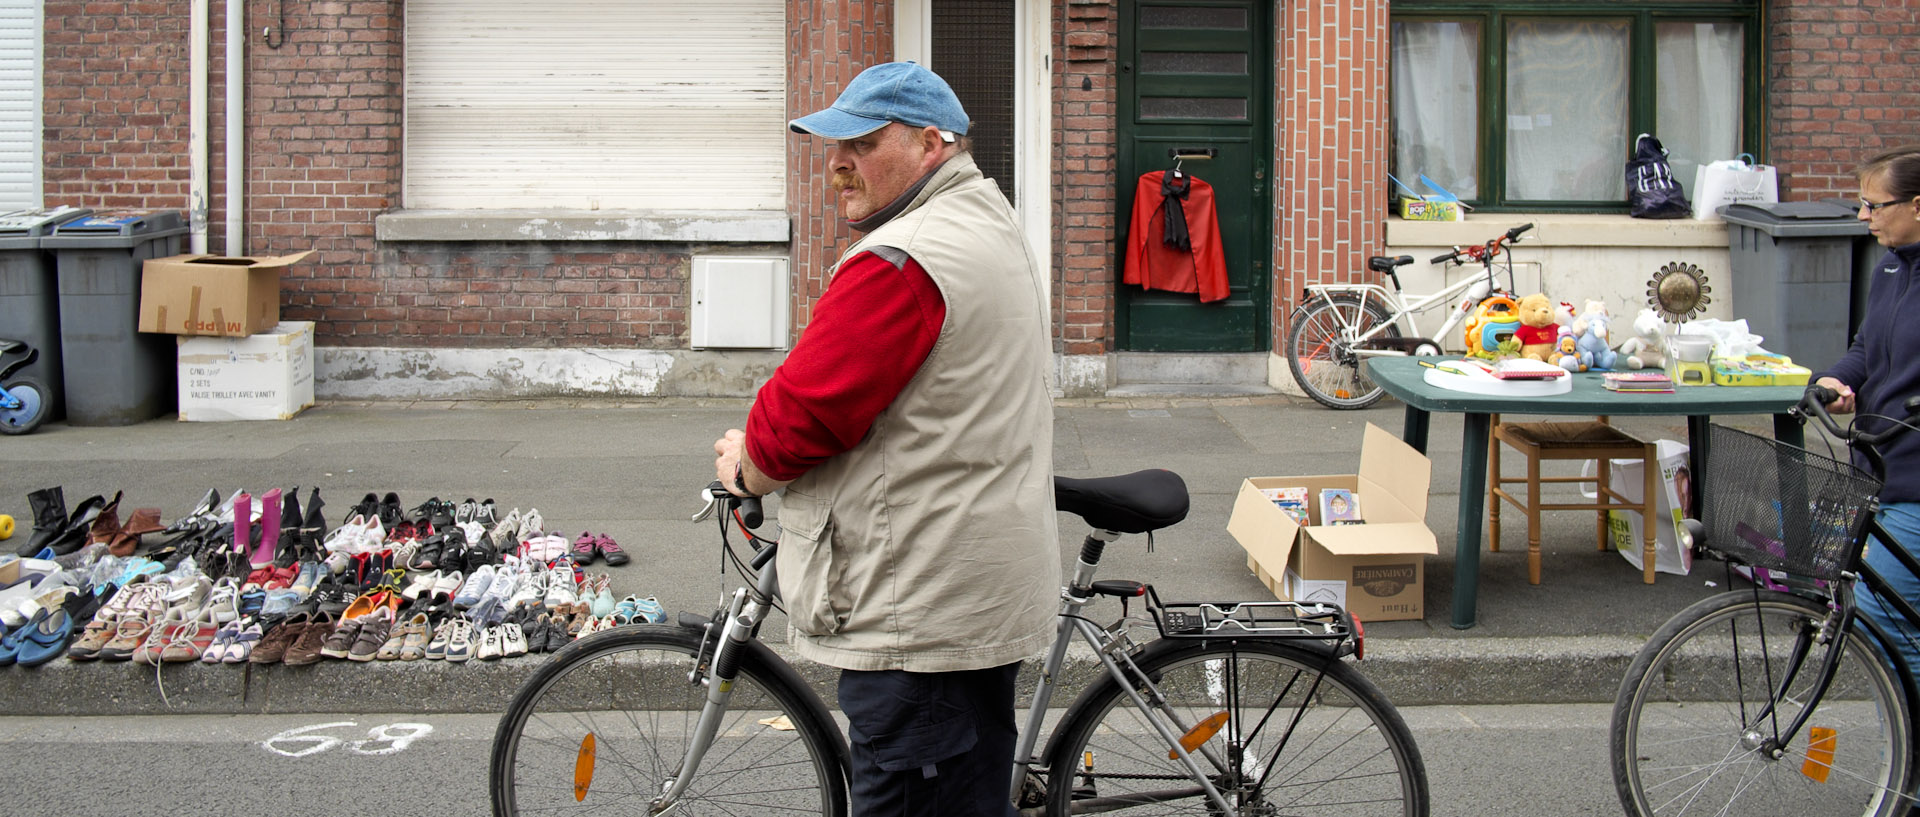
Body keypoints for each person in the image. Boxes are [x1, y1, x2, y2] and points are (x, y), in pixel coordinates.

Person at [711, 62, 1058, 815]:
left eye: (862, 143)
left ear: (931, 144)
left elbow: (799, 416)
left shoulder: (902, 259)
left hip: (918, 608)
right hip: (966, 587)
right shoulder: (984, 217)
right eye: (832, 145)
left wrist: (747, 465)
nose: (837, 163)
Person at [1813, 144, 1920, 676]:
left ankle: (1907, 756)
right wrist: (1836, 378)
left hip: (1915, 477)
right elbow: (1865, 346)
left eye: (1874, 206)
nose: (1863, 216)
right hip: (1878, 466)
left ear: (1917, 206)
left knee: (1887, 631)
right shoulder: (1891, 269)